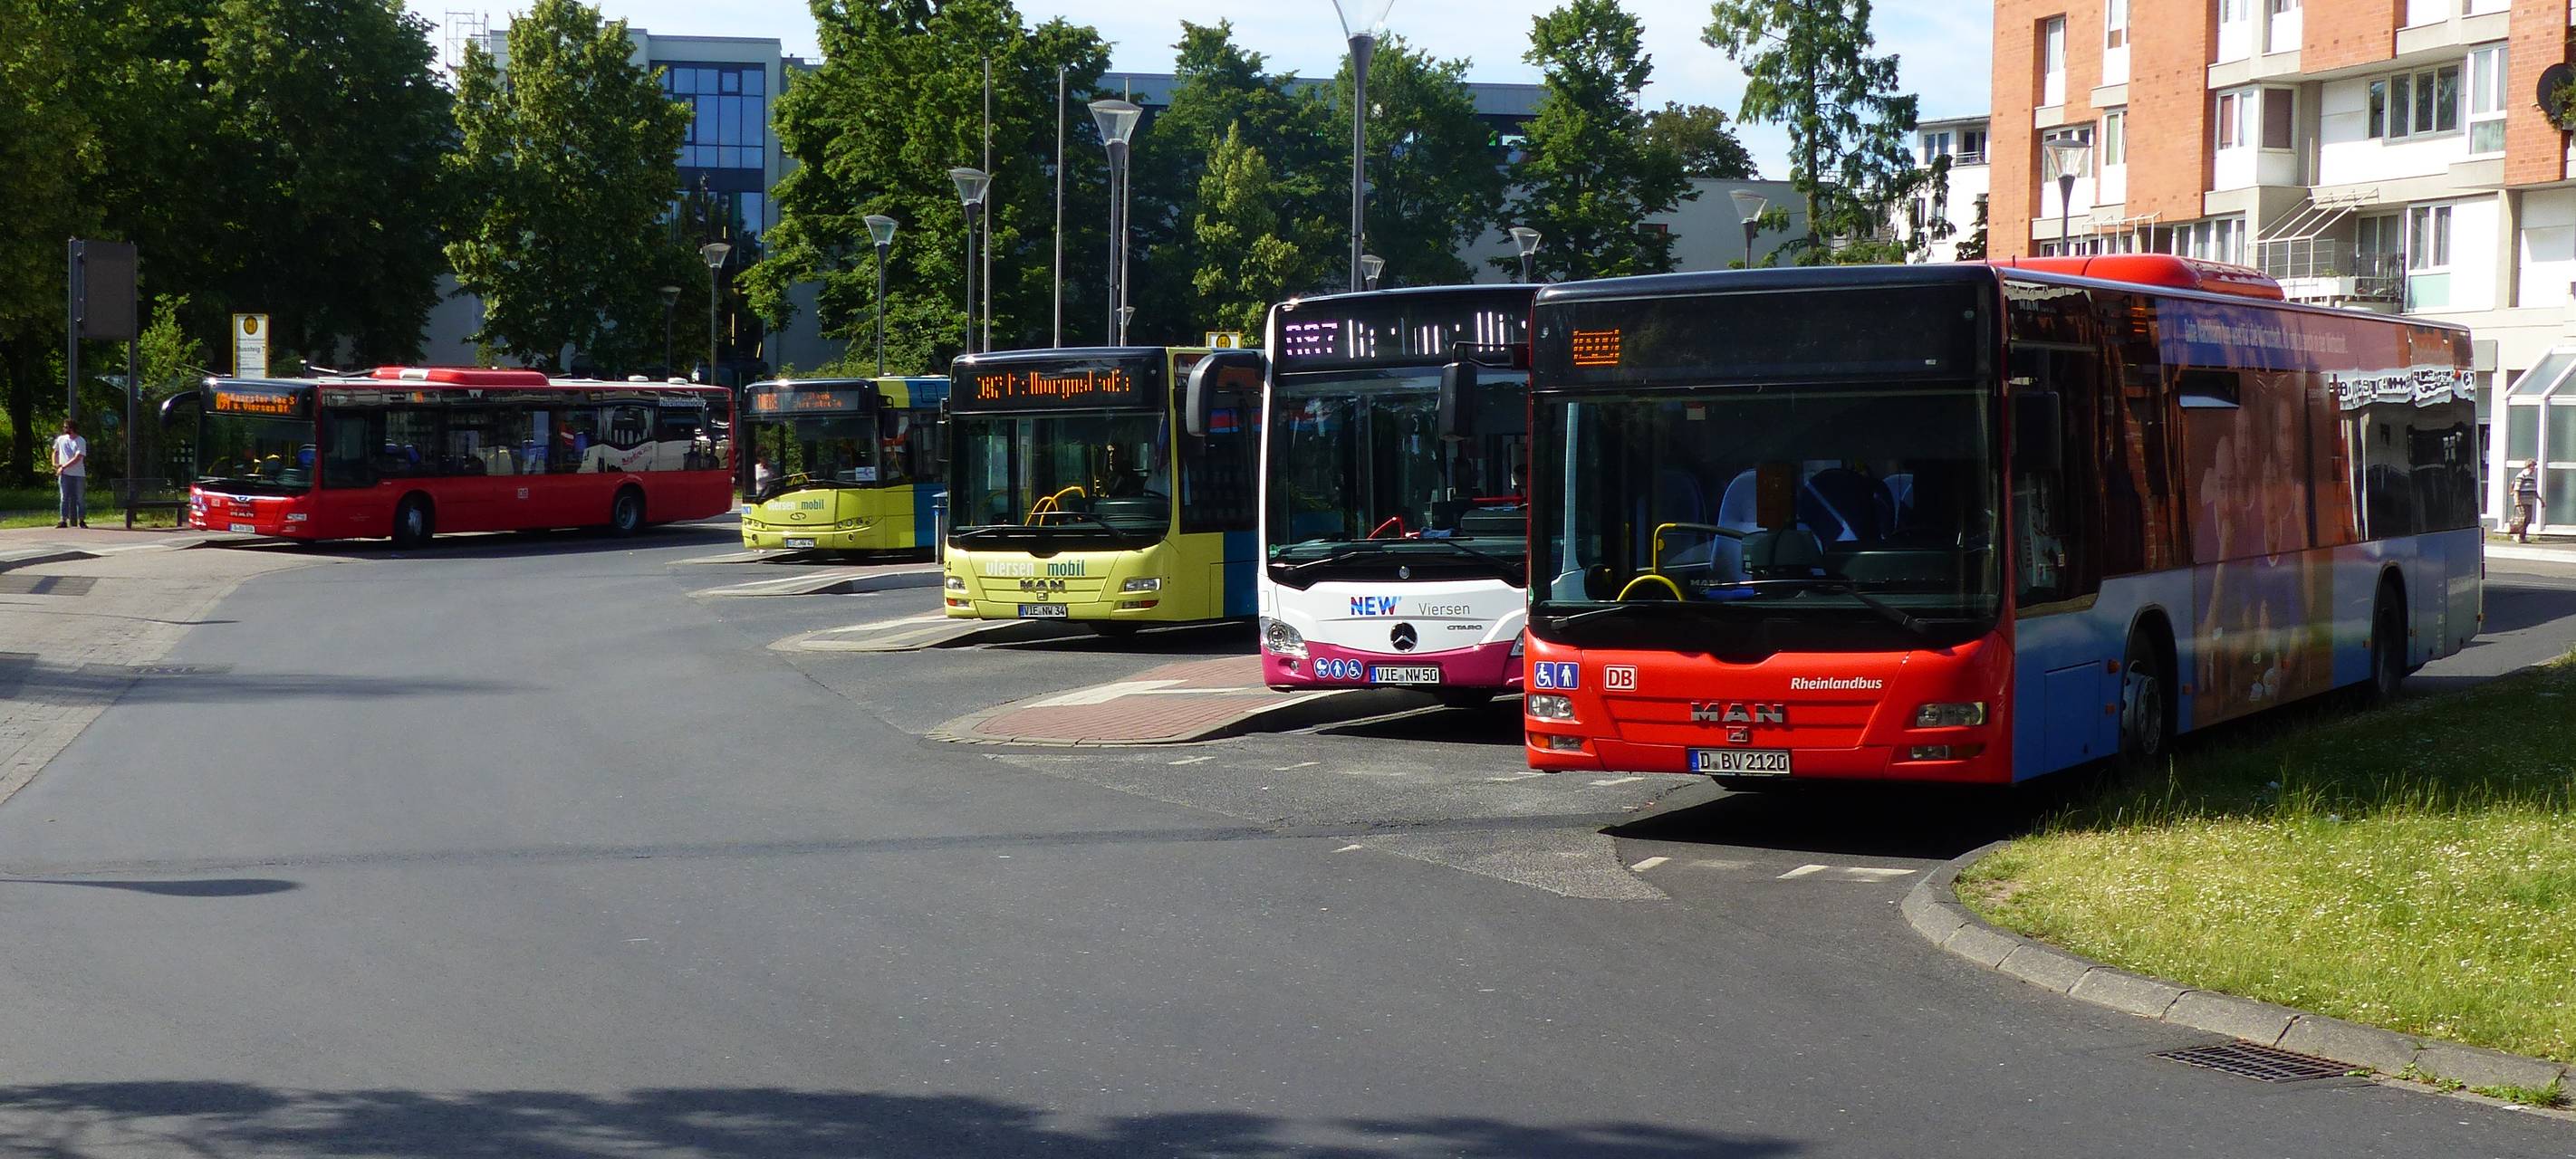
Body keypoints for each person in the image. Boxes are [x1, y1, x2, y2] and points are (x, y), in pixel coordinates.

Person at [53, 418, 87, 529]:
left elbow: (78, 458)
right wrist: (55, 464)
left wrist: (64, 466)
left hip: (78, 474)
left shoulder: (80, 441)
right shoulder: (61, 439)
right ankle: (63, 520)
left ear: (72, 429)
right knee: (64, 497)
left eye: (66, 427)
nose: (64, 429)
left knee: (79, 498)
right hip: (64, 475)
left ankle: (81, 520)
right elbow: (55, 452)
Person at [2513, 462, 2544, 543]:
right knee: (2524, 518)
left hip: (2529, 501)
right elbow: (2516, 489)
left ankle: (2521, 536)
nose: (2534, 468)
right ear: (2529, 466)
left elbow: (2534, 490)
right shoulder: (2521, 475)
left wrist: (2540, 500)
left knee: (2528, 519)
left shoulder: (2531, 478)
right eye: (2533, 466)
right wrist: (2517, 502)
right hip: (2522, 501)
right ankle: (2520, 537)